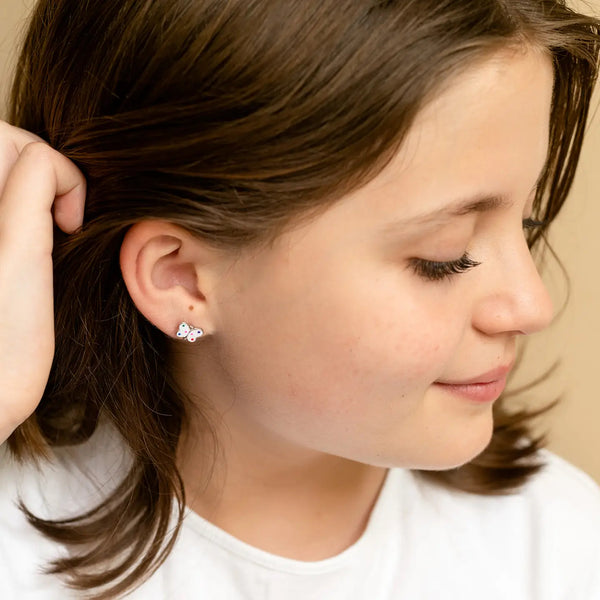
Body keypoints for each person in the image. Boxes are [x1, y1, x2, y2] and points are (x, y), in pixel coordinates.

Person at [1, 0, 600, 598]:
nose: (531, 305)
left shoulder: (562, 551)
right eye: (444, 257)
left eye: (527, 224)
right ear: (181, 280)